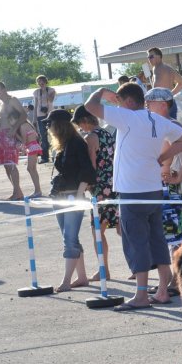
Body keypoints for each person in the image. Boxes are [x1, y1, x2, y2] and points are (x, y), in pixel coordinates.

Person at [84, 83, 182, 310]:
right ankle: (162, 290)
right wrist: (163, 156)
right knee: (157, 241)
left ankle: (141, 295)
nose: (118, 105)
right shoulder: (158, 120)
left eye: (120, 101)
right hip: (153, 189)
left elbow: (89, 106)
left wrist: (102, 91)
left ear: (129, 102)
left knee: (136, 243)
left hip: (132, 191)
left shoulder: (127, 117)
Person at [146, 87, 182, 296]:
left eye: (150, 102)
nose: (147, 106)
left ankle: (177, 280)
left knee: (173, 235)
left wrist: (180, 175)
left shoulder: (171, 124)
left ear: (163, 104)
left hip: (169, 187)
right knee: (165, 235)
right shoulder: (160, 125)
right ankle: (169, 279)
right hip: (161, 186)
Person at [45, 109, 96, 293]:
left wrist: (80, 193)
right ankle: (82, 277)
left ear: (58, 125)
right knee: (70, 238)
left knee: (69, 239)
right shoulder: (64, 144)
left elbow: (88, 171)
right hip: (60, 196)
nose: (48, 127)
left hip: (72, 196)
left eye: (49, 123)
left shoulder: (76, 143)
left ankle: (66, 280)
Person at [71, 105, 118, 281]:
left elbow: (92, 165)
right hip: (114, 183)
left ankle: (103, 269)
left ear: (85, 120)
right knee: (122, 228)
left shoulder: (91, 137)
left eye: (79, 124)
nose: (80, 128)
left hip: (100, 186)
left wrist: (88, 185)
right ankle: (137, 265)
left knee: (97, 230)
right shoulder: (107, 133)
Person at [0, 81, 28, 200]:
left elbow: (24, 115)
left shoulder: (12, 100)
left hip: (9, 135)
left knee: (11, 164)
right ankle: (17, 191)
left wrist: (14, 129)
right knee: (6, 165)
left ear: (4, 89)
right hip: (0, 136)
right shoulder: (0, 103)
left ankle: (17, 192)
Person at [7, 110, 43, 197]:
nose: (11, 123)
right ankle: (37, 190)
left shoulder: (23, 126)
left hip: (32, 147)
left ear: (17, 119)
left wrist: (15, 134)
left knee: (31, 169)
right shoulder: (27, 124)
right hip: (33, 146)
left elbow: (23, 141)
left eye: (12, 120)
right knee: (32, 169)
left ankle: (38, 190)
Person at [146, 47, 182, 119]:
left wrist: (171, 93)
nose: (149, 59)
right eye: (148, 57)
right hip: (167, 103)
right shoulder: (160, 68)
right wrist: (171, 93)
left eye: (151, 56)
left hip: (163, 105)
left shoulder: (163, 68)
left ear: (159, 56)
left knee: (166, 129)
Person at [32, 75, 55, 163]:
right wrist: (34, 118)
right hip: (40, 116)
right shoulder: (36, 92)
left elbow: (51, 100)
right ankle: (44, 157)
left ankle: (54, 155)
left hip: (50, 114)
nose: (40, 83)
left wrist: (45, 90)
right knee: (43, 136)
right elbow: (36, 105)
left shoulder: (51, 90)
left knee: (53, 135)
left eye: (42, 81)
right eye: (39, 81)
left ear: (45, 81)